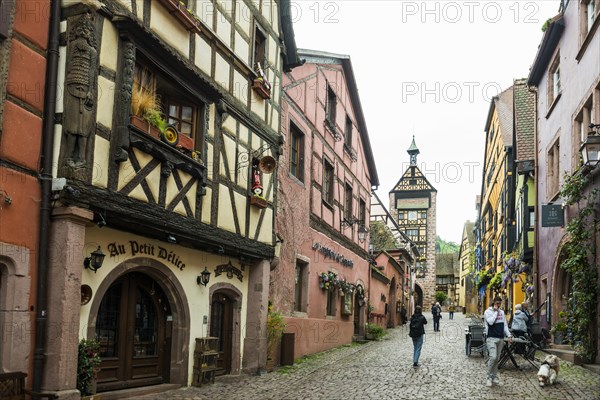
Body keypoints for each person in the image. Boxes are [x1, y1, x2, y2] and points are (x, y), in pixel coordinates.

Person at [484, 296, 512, 387]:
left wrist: (509, 335)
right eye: (497, 304)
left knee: (497, 359)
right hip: (491, 338)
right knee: (493, 357)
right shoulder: (487, 312)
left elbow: (505, 325)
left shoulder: (502, 312)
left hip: (500, 338)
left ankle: (494, 376)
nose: (499, 305)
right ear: (493, 303)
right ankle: (488, 377)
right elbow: (490, 322)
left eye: (500, 304)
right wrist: (495, 312)